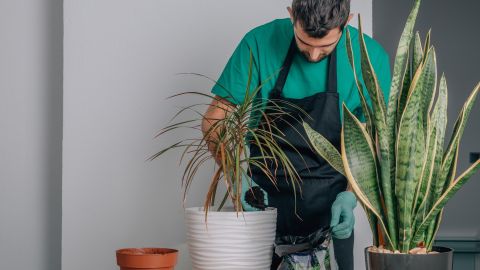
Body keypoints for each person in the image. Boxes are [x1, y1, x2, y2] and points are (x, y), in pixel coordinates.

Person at [202, 0, 391, 269]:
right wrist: (237, 177)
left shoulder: (369, 58)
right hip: (261, 203)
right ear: (291, 16)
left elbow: (373, 139)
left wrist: (351, 195)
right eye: (304, 43)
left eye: (325, 47)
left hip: (330, 211)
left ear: (347, 21)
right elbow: (214, 121)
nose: (313, 56)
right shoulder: (258, 42)